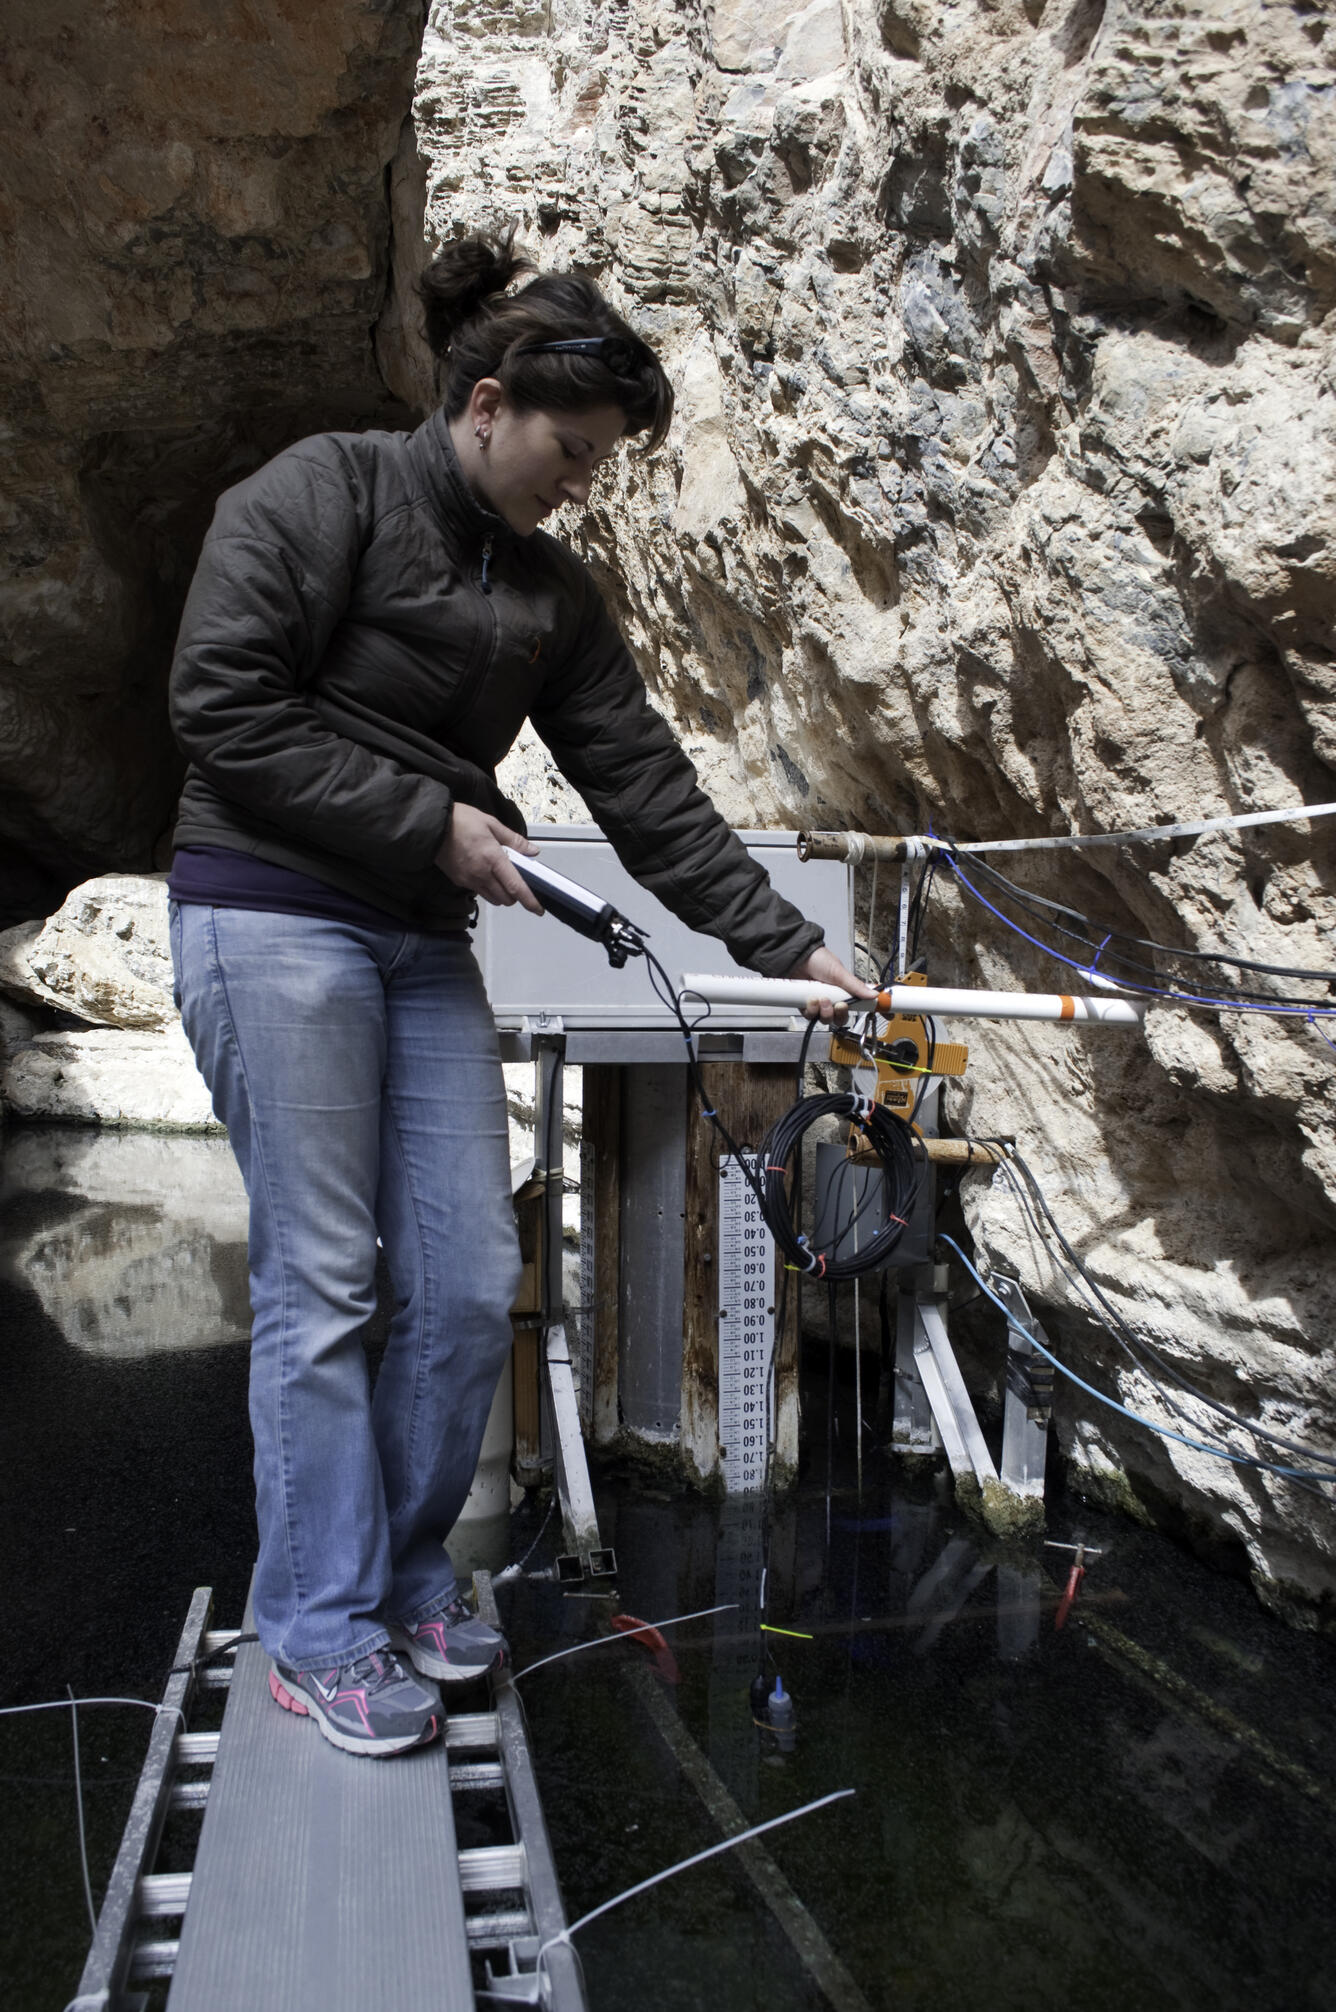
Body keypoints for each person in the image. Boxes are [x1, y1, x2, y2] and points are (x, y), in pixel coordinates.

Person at [167, 231, 868, 1758]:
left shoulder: (551, 593)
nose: (583, 481)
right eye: (571, 448)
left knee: (473, 1278)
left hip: (417, 943)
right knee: (324, 1286)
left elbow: (647, 791)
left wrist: (785, 944)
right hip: (269, 911)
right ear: (484, 405)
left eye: (604, 460)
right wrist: (431, 823)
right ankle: (317, 1626)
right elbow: (220, 706)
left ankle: (410, 1581)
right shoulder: (320, 494)